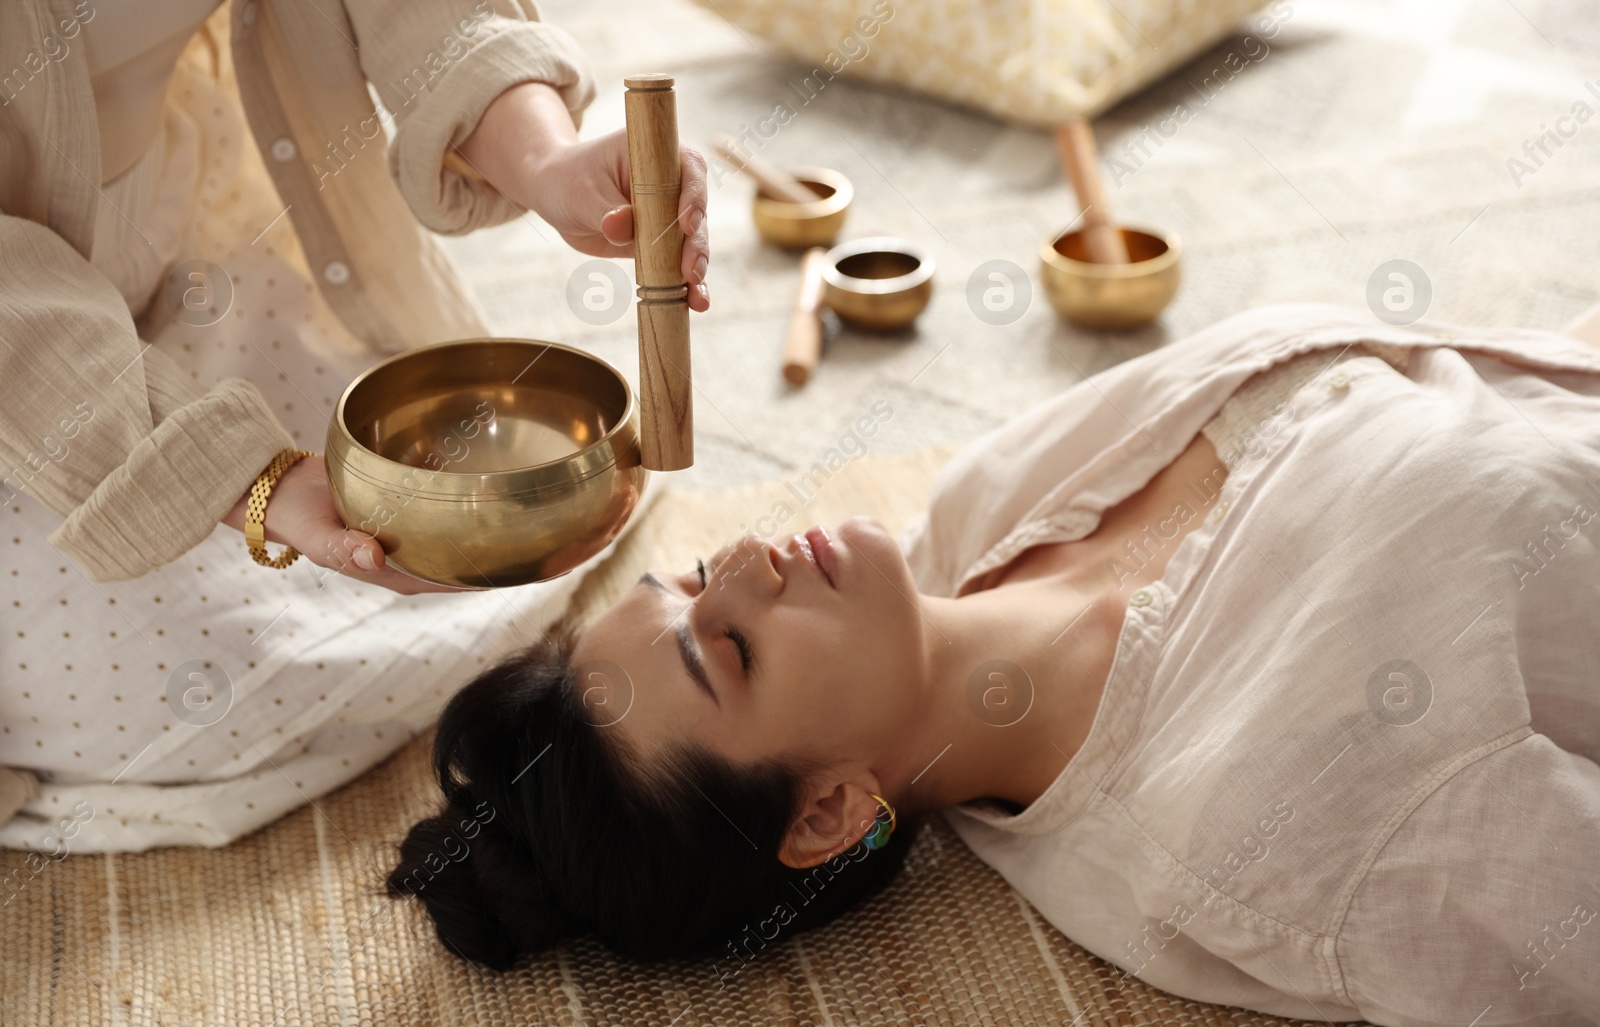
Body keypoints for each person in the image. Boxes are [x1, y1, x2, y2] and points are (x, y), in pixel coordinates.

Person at [395, 305, 1600, 1027]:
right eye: (733, 649)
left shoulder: (983, 504)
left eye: (701, 574)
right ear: (827, 812)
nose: (755, 559)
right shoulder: (1279, 835)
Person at [0, 0, 706, 849]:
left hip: (166, 238)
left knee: (417, 492)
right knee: (157, 675)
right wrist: (249, 477)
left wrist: (545, 158)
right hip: (20, 359)